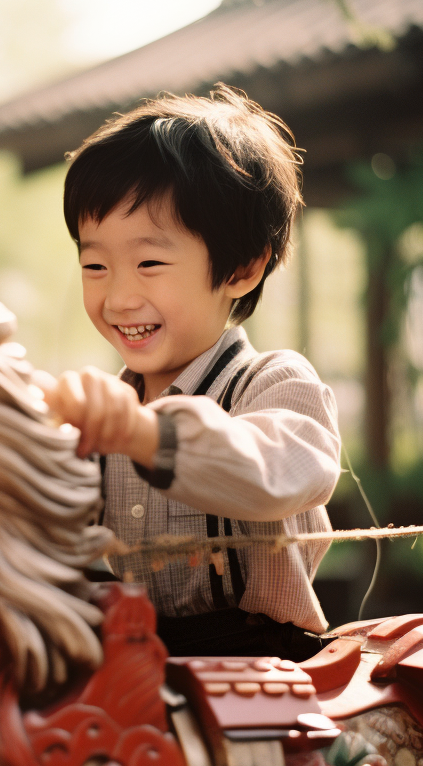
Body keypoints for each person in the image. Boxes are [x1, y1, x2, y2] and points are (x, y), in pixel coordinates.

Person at [44, 86, 341, 661]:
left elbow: (277, 472)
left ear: (243, 267)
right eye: (95, 265)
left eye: (150, 263)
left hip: (258, 660)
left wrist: (144, 434)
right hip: (132, 653)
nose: (120, 297)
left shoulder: (276, 384)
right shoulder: (103, 411)